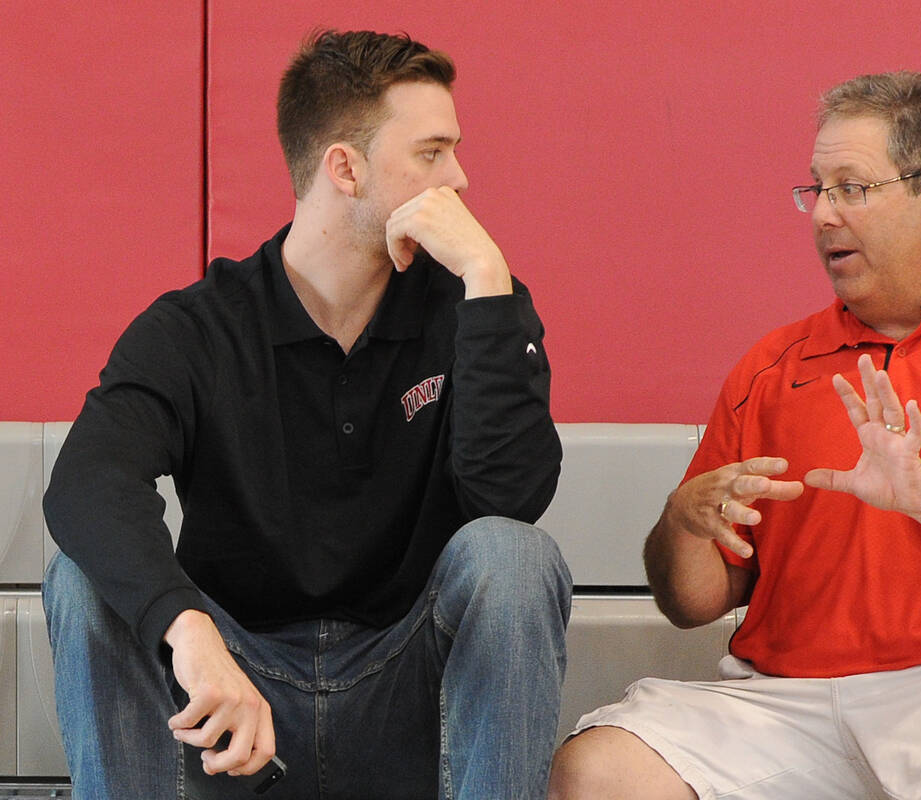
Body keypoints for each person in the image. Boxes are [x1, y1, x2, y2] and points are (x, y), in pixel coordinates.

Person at [549, 71, 921, 800]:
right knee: (602, 767)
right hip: (789, 701)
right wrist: (682, 523)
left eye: (852, 188)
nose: (823, 215)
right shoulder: (771, 368)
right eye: (816, 189)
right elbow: (695, 603)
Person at [42, 29, 570, 800]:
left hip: (409, 699)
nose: (459, 176)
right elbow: (86, 485)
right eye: (431, 152)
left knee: (512, 555)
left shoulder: (474, 302)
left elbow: (511, 502)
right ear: (345, 168)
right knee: (85, 575)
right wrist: (189, 632)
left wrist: (487, 279)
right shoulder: (198, 328)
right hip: (238, 711)